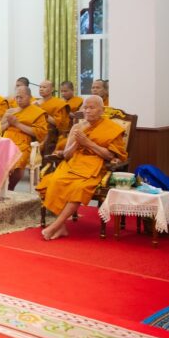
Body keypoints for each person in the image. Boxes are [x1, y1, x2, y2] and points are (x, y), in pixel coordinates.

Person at [37, 95, 126, 241]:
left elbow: (110, 155)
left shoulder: (112, 128)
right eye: (85, 107)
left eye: (92, 108)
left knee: (79, 188)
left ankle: (55, 225)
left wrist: (88, 143)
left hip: (95, 166)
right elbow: (67, 155)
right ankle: (61, 228)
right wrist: (77, 143)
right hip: (73, 163)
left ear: (101, 110)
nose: (88, 111)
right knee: (54, 181)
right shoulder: (77, 127)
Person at [1, 86, 49, 190]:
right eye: (17, 97)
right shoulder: (10, 111)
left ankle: (10, 188)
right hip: (6, 141)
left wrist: (17, 124)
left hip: (24, 143)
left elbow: (40, 133)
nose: (18, 100)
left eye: (21, 97)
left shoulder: (37, 112)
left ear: (29, 97)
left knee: (17, 163)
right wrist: (9, 123)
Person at [35, 80, 70, 146]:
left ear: (52, 89)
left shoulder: (59, 103)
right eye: (40, 87)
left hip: (50, 132)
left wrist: (41, 112)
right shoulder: (34, 103)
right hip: (35, 129)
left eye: (44, 87)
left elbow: (59, 124)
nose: (41, 89)